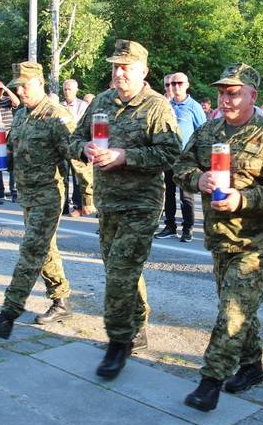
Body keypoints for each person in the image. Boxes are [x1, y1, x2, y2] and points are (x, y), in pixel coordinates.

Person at [173, 63, 263, 411]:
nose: (226, 98)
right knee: (240, 307)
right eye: (222, 92)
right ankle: (252, 366)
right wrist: (197, 180)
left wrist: (243, 198)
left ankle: (210, 381)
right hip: (219, 237)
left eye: (234, 92)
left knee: (233, 308)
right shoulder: (209, 131)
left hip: (254, 240)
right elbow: (181, 166)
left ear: (253, 96)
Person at [69, 40, 181, 379]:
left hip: (141, 203)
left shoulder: (157, 107)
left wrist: (125, 157)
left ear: (143, 71)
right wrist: (85, 148)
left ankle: (119, 342)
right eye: (115, 66)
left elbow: (171, 154)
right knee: (120, 268)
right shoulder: (101, 101)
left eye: (126, 67)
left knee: (120, 270)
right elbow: (73, 139)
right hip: (108, 202)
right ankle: (138, 324)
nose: (119, 72)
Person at [0, 62, 77, 338]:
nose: (20, 91)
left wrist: (89, 197)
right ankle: (61, 301)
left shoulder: (57, 116)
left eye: (25, 85)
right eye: (17, 86)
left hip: (49, 194)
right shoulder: (21, 115)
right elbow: (13, 149)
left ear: (40, 84)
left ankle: (8, 314)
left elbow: (77, 157)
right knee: (45, 249)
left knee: (30, 251)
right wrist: (3, 156)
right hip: (26, 193)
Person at [155, 72, 206, 242]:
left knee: (186, 195)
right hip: (168, 156)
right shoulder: (166, 105)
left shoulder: (194, 106)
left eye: (179, 83)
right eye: (171, 84)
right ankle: (170, 226)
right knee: (168, 193)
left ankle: (188, 228)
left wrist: (200, 158)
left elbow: (203, 132)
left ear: (186, 85)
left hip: (187, 158)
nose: (175, 86)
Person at [61, 78, 94, 217]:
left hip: (77, 145)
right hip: (62, 145)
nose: (67, 91)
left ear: (76, 90)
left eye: (70, 89)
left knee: (78, 177)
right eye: (65, 89)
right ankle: (62, 206)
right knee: (62, 176)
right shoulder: (59, 106)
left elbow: (82, 126)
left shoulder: (83, 106)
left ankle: (78, 206)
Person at [0, 80, 19, 202]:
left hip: (9, 134)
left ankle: (14, 192)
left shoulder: (7, 100)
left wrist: (6, 88)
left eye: (0, 90)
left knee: (12, 165)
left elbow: (17, 102)